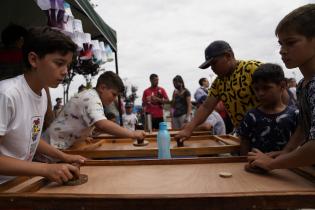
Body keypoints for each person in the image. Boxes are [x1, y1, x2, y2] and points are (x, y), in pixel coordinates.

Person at [0, 26, 86, 185]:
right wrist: (44, 169)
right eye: (59, 63)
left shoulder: (42, 96)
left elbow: (30, 138)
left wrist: (63, 157)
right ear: (33, 60)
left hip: (19, 184)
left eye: (67, 65)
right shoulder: (7, 94)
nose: (65, 71)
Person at [248, 4, 315, 171]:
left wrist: (272, 164)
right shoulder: (303, 84)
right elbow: (304, 126)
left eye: (291, 43)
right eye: (281, 44)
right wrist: (286, 152)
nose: (282, 51)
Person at [175, 40, 261, 142]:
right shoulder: (218, 83)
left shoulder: (253, 69)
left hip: (267, 132)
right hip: (244, 136)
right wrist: (189, 129)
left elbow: (282, 98)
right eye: (210, 65)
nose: (212, 68)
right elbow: (206, 107)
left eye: (214, 63)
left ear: (228, 56)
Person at [43, 71, 146, 150]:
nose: (114, 99)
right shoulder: (91, 98)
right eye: (113, 94)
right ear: (102, 88)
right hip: (49, 151)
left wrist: (83, 136)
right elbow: (102, 124)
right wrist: (132, 134)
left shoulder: (91, 95)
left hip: (57, 148)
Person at [238, 63, 298, 155]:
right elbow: (244, 144)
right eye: (256, 89)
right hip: (255, 166)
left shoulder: (295, 115)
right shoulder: (251, 116)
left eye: (266, 88)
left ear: (282, 86)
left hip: (287, 168)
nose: (260, 93)